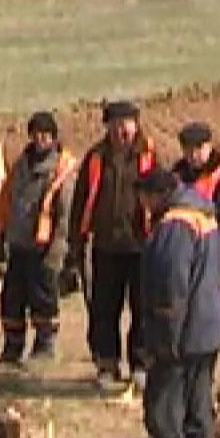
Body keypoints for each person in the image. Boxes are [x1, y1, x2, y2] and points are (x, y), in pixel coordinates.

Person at [136, 169, 220, 438]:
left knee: (165, 407)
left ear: (156, 195)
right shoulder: (203, 213)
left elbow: (170, 283)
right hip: (208, 326)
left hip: (183, 329)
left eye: (144, 198)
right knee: (198, 404)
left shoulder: (175, 225)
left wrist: (164, 339)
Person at [68, 100, 158, 391]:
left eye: (127, 124)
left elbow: (163, 195)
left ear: (136, 125)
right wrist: (76, 240)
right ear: (108, 127)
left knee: (143, 308)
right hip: (106, 246)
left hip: (141, 246)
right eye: (117, 124)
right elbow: (81, 200)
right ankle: (106, 364)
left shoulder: (149, 157)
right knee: (104, 309)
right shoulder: (95, 158)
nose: (123, 130)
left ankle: (141, 364)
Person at [0, 111, 79, 362]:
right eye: (36, 134)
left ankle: (45, 344)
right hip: (18, 243)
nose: (40, 139)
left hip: (44, 247)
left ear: (53, 138)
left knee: (43, 297)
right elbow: (7, 201)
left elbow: (64, 216)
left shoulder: (61, 170)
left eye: (45, 135)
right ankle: (13, 345)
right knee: (12, 298)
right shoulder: (21, 166)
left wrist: (57, 252)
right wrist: (1, 236)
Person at [171, 121, 220, 279]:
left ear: (209, 146)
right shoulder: (177, 178)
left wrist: (219, 270)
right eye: (188, 149)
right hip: (182, 261)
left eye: (198, 149)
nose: (193, 155)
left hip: (208, 262)